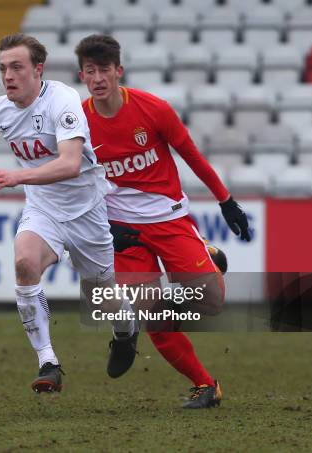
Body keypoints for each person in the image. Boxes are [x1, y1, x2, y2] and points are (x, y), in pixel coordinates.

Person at [75, 34, 251, 409]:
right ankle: (206, 386)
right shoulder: (79, 123)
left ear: (118, 71)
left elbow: (191, 154)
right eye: (90, 71)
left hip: (168, 218)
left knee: (213, 301)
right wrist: (101, 227)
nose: (98, 77)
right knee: (151, 313)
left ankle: (202, 252)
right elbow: (77, 183)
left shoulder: (153, 109)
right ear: (83, 75)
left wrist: (226, 200)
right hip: (123, 232)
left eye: (104, 69)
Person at [0, 33, 138, 393]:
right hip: (43, 210)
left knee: (100, 299)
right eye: (3, 68)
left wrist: (17, 176)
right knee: (25, 263)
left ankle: (126, 330)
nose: (8, 76)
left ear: (37, 69)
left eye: (17, 67)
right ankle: (48, 362)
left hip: (86, 212)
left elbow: (71, 164)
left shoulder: (63, 101)